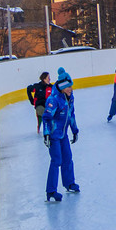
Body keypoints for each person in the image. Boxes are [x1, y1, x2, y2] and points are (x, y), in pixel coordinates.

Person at [43, 68, 80, 202]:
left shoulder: (69, 98)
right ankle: (51, 191)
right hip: (54, 135)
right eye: (68, 86)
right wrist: (46, 134)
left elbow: (71, 115)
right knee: (56, 160)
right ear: (62, 87)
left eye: (71, 86)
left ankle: (69, 183)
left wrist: (75, 130)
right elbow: (46, 118)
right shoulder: (54, 100)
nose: (70, 88)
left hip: (63, 134)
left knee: (68, 158)